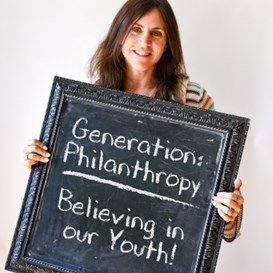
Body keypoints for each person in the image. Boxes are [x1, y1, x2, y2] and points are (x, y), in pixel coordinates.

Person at [23, 0, 244, 242]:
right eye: (135, 29)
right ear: (119, 35)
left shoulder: (193, 100)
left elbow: (213, 208)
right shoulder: (83, 107)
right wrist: (41, 164)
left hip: (162, 247)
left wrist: (229, 211)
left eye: (156, 33)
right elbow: (63, 193)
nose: (145, 42)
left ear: (168, 44)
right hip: (93, 242)